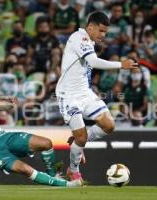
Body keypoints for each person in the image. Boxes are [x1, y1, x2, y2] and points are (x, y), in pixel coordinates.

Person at [0, 68, 81, 187]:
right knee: (25, 169)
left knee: (46, 143)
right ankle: (67, 185)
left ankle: (53, 176)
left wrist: (9, 104)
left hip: (3, 137)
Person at [55, 11, 137, 181]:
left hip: (85, 92)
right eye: (100, 31)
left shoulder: (89, 41)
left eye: (106, 32)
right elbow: (93, 62)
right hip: (68, 95)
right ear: (90, 26)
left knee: (109, 125)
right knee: (82, 137)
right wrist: (121, 64)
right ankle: (73, 170)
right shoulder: (80, 37)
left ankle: (79, 141)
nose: (103, 35)